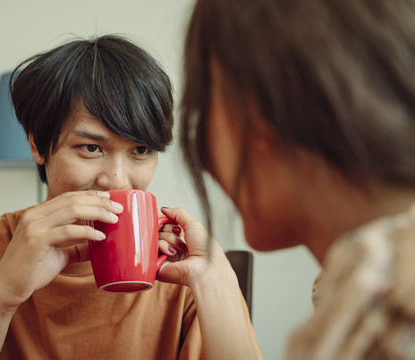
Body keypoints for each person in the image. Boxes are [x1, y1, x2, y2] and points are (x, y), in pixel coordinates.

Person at [0, 35, 216, 359]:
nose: (117, 180)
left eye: (140, 150)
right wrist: (0, 298)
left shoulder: (181, 265)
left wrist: (214, 282)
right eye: (91, 148)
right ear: (38, 146)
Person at [157, 0, 415, 358]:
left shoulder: (384, 313)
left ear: (257, 108)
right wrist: (210, 277)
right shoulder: (344, 286)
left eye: (203, 102)